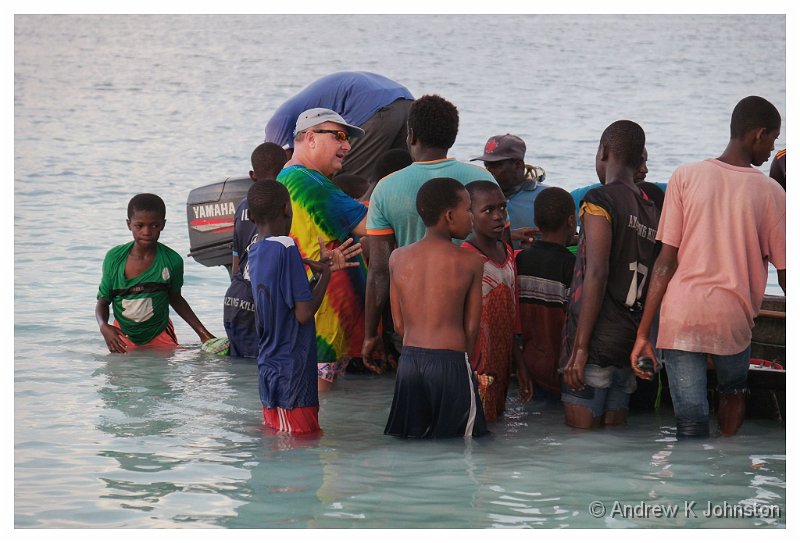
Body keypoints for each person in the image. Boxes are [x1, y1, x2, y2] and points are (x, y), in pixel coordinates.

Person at [630, 96, 786, 438]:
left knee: (690, 422)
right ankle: (728, 461)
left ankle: (693, 485)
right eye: (773, 139)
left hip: (680, 315)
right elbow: (787, 273)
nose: (771, 148)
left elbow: (664, 263)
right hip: (731, 317)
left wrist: (643, 334)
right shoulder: (771, 191)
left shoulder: (684, 176)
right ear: (758, 134)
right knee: (734, 391)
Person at [363, 95, 496, 369]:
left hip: (413, 328)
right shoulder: (483, 179)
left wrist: (370, 334)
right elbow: (500, 251)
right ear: (452, 137)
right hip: (475, 318)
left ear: (411, 135)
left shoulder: (386, 188)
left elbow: (379, 271)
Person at [560, 120, 660, 430]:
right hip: (628, 344)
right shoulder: (651, 209)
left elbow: (598, 273)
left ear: (604, 151)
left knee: (582, 453)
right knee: (611, 446)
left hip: (595, 341)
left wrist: (579, 349)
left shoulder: (599, 200)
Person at [247, 181, 362, 434]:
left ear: (250, 215)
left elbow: (284, 301)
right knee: (303, 442)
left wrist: (318, 275)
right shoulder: (287, 247)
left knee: (277, 438)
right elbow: (304, 313)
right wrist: (328, 277)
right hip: (293, 372)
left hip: (268, 367)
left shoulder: (256, 250)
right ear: (288, 209)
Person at [384, 177, 488, 438]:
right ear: (450, 216)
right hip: (450, 362)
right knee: (463, 443)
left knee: (411, 440)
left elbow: (398, 324)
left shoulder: (398, 257)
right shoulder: (470, 260)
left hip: (409, 363)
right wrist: (470, 366)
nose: (472, 217)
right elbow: (472, 326)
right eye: (468, 209)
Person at [277, 108, 370, 392]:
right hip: (321, 320)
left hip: (318, 314)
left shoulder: (293, 177)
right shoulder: (310, 182)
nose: (347, 145)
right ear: (310, 138)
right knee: (317, 405)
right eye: (339, 136)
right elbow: (373, 224)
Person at [96, 193, 215, 352]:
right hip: (121, 335)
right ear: (129, 224)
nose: (147, 232)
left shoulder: (172, 261)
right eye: (139, 225)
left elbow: (176, 298)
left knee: (161, 374)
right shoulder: (114, 259)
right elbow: (103, 301)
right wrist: (104, 326)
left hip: (160, 332)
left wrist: (203, 334)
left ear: (163, 225)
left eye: (154, 225)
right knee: (122, 374)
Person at [264, 71, 414, 180]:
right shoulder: (293, 116)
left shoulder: (275, 126)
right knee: (397, 176)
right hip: (405, 101)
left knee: (349, 181)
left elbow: (285, 169)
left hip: (373, 108)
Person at [460, 181, 525, 420]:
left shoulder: (507, 252)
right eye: (488, 210)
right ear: (470, 215)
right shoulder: (467, 258)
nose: (498, 216)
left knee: (496, 419)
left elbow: (514, 316)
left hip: (503, 360)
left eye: (502, 208)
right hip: (476, 363)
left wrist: (521, 366)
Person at [223, 143, 288, 358]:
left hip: (235, 297)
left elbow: (235, 260)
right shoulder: (284, 207)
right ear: (287, 168)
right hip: (261, 300)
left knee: (241, 371)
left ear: (253, 175)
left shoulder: (242, 206)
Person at [516, 186, 577, 399]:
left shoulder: (521, 259)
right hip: (561, 367)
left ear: (537, 222)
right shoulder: (571, 265)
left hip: (529, 364)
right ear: (571, 221)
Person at [471, 134, 548, 248]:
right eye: (487, 166)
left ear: (518, 165)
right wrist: (507, 236)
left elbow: (567, 237)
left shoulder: (546, 197)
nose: (489, 171)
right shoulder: (476, 197)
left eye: (496, 165)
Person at [570, 147, 665, 226]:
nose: (645, 169)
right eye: (638, 162)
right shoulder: (592, 197)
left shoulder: (655, 195)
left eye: (645, 162)